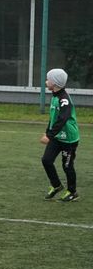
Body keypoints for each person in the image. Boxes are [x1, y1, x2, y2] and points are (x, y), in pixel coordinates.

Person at [40, 68, 80, 202]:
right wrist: (48, 132)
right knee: (46, 160)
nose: (46, 81)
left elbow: (62, 119)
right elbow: (53, 118)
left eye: (48, 79)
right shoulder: (55, 96)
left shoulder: (64, 100)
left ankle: (72, 192)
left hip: (69, 139)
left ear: (55, 83)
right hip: (57, 136)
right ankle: (56, 185)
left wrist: (49, 136)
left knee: (67, 166)